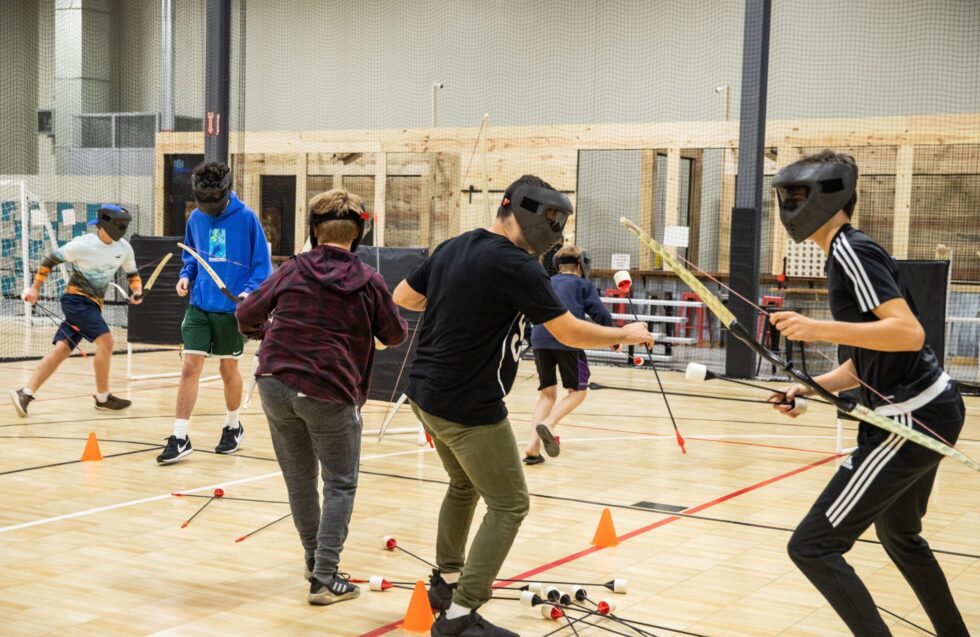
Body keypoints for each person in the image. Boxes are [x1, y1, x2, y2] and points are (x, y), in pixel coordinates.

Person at [392, 175, 655, 637]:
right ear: (522, 211)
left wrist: (464, 300)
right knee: (511, 504)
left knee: (462, 485)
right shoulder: (517, 265)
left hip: (422, 393)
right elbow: (569, 332)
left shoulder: (453, 246)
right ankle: (459, 615)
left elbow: (404, 298)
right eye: (552, 220)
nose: (554, 231)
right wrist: (624, 334)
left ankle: (446, 583)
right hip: (467, 405)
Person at [768, 150, 969, 636]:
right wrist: (808, 388)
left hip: (911, 419)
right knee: (900, 535)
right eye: (785, 195)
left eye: (796, 195)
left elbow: (908, 333)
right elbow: (868, 361)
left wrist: (816, 328)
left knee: (812, 547)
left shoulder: (850, 250)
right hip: (933, 408)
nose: (788, 205)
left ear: (828, 196)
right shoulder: (846, 251)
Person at [237, 188, 407, 605]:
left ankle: (316, 563)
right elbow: (395, 334)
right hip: (329, 389)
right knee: (340, 484)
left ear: (314, 232)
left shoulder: (292, 270)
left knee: (300, 482)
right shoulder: (369, 280)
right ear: (357, 235)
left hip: (275, 382)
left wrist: (266, 327)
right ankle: (325, 577)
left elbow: (245, 316)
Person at [157, 161, 272, 464]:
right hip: (199, 306)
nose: (208, 206)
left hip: (231, 310)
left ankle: (233, 426)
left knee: (227, 370)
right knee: (190, 366)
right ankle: (180, 436)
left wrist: (248, 292)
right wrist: (186, 277)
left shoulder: (247, 219)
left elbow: (262, 266)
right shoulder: (195, 218)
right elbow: (191, 257)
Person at [11, 205, 142, 416]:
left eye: (124, 224)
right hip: (76, 301)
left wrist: (137, 291)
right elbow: (49, 260)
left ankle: (25, 392)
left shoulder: (124, 248)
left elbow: (132, 274)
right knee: (107, 341)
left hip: (94, 306)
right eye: (119, 223)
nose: (122, 227)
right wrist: (35, 289)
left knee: (62, 350)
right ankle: (102, 397)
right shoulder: (82, 245)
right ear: (105, 223)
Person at [523, 245, 613, 464]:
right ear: (581, 263)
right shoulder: (583, 284)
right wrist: (615, 339)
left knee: (547, 394)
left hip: (539, 339)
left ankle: (532, 448)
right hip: (569, 340)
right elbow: (599, 314)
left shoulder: (547, 282)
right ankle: (550, 423)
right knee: (578, 391)